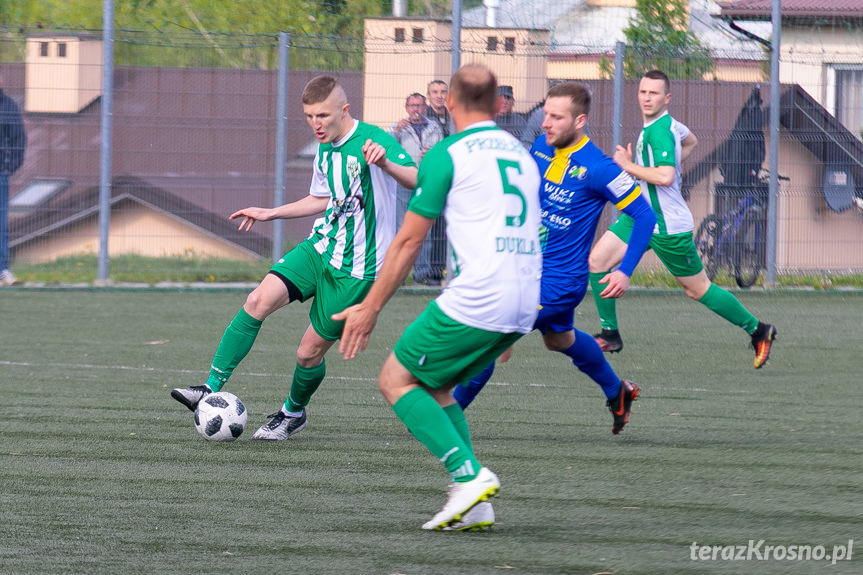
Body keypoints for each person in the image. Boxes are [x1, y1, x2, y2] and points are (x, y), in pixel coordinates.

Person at [334, 63, 542, 531]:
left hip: (480, 295)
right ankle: (476, 504)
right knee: (439, 386)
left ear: (448, 102)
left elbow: (408, 242)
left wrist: (370, 307)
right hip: (525, 296)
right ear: (497, 105)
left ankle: (467, 475)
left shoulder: (447, 152)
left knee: (396, 379)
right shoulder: (523, 155)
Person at [170, 75, 418, 439]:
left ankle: (292, 413)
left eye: (322, 116)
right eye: (308, 117)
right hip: (321, 247)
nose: (315, 124)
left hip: (358, 270)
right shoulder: (325, 148)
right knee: (257, 300)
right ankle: (209, 389)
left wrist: (386, 165)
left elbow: (416, 178)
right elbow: (322, 198)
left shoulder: (374, 140)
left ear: (344, 111)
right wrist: (272, 212)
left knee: (307, 354)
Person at [454, 82, 656, 438]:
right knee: (558, 339)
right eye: (545, 113)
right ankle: (617, 391)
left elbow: (645, 216)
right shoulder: (541, 148)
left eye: (555, 117)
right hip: (524, 270)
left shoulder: (600, 168)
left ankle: (447, 416)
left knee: (489, 337)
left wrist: (624, 271)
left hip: (560, 282)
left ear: (579, 121)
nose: (545, 122)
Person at [588, 69, 777, 369]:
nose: (647, 98)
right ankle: (610, 334)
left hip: (667, 226)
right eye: (643, 92)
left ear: (667, 98)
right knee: (598, 261)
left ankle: (758, 330)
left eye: (654, 93)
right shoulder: (667, 125)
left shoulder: (660, 130)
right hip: (640, 216)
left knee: (697, 288)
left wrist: (628, 166)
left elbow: (665, 176)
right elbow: (691, 141)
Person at [388, 93, 445, 285]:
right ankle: (398, 275)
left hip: (425, 181)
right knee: (400, 229)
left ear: (425, 107)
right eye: (412, 105)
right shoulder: (398, 128)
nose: (416, 109)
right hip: (403, 182)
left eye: (419, 105)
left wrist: (434, 153)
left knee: (424, 230)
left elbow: (442, 152)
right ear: (406, 108)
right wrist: (396, 132)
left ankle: (423, 274)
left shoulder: (434, 127)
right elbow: (386, 150)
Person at [0, 68, 26, 286]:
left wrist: (9, 167)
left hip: (0, 174)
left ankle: (2, 271)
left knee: (0, 224)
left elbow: (18, 139)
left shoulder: (8, 106)